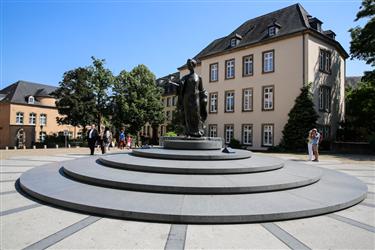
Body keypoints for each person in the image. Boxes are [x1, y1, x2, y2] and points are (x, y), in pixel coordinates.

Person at [168, 59, 208, 137]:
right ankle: (189, 131)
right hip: (186, 98)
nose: (188, 66)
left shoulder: (199, 78)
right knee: (187, 115)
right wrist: (175, 84)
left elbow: (202, 90)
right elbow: (180, 87)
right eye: (187, 64)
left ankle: (197, 131)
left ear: (193, 65)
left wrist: (204, 98)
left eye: (189, 64)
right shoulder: (185, 77)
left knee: (196, 114)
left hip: (195, 98)